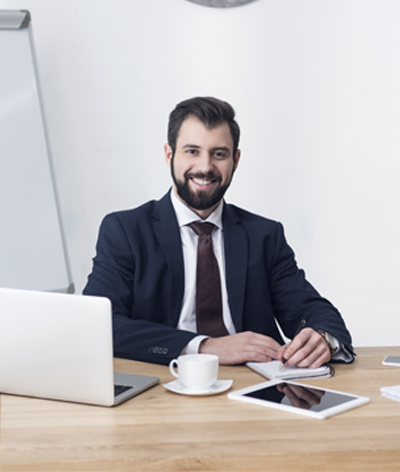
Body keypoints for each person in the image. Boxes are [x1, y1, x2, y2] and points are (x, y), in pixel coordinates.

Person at [83, 96, 354, 368]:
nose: (205, 167)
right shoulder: (126, 231)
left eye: (219, 154)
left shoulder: (264, 236)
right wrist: (205, 346)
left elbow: (315, 312)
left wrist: (323, 339)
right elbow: (99, 325)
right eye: (192, 151)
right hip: (164, 383)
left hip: (252, 388)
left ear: (235, 160)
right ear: (169, 155)